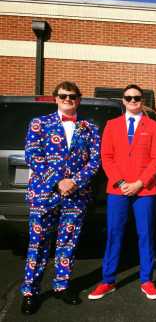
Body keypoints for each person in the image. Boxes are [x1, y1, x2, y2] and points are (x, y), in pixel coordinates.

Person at [21, 81, 101, 314]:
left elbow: (95, 161)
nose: (68, 99)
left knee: (68, 242)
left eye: (73, 96)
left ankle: (62, 286)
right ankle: (30, 292)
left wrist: (74, 182)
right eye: (64, 96)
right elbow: (32, 154)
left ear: (79, 99)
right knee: (37, 244)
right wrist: (58, 181)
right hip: (44, 194)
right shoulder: (39, 123)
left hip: (76, 196)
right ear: (56, 98)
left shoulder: (90, 127)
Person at [88, 84, 156, 300]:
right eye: (129, 98)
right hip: (117, 189)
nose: (133, 101)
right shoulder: (112, 125)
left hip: (145, 190)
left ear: (143, 100)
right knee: (114, 234)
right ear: (123, 100)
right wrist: (121, 182)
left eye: (137, 98)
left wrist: (139, 183)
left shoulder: (153, 126)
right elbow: (106, 156)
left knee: (146, 235)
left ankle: (147, 280)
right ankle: (108, 280)